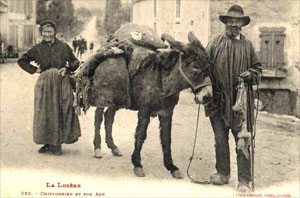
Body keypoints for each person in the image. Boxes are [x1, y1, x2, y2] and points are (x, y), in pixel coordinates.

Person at [203, 5, 262, 192]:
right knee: (220, 139)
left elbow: (258, 70)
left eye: (238, 21)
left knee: (242, 139)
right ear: (226, 22)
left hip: (241, 102)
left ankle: (244, 180)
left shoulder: (248, 46)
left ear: (242, 24)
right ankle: (222, 174)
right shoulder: (214, 43)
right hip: (218, 102)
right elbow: (203, 69)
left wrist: (250, 74)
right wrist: (205, 89)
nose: (234, 24)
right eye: (231, 21)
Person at [18, 20, 81, 155]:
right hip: (44, 84)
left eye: (50, 32)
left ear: (54, 33)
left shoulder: (63, 46)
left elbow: (75, 62)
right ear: (42, 33)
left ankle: (57, 143)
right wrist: (35, 70)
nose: (47, 34)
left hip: (61, 82)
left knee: (62, 109)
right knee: (45, 111)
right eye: (44, 32)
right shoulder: (37, 48)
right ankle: (47, 142)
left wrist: (67, 68)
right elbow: (22, 60)